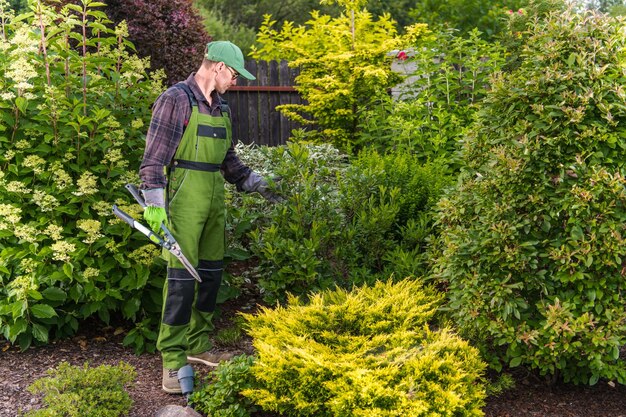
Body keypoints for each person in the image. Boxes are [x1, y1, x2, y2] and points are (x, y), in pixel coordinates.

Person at [139, 40, 278, 394]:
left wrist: (255, 182)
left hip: (215, 197)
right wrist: (154, 204)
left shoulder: (222, 107)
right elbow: (154, 160)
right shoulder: (177, 99)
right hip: (185, 198)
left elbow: (228, 161)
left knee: (211, 275)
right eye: (233, 74)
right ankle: (172, 358)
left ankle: (198, 345)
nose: (235, 81)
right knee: (182, 279)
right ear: (216, 67)